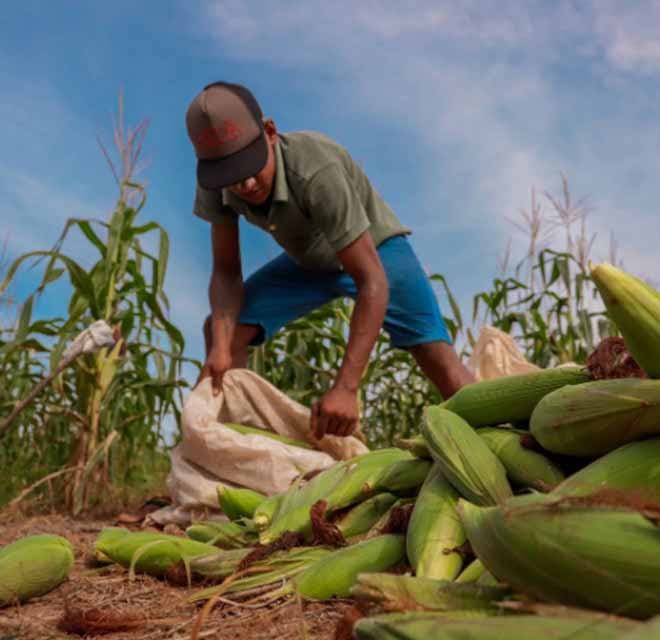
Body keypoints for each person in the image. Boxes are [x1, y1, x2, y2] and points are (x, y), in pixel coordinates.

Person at [187, 81, 474, 440]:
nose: (244, 184)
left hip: (374, 251)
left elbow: (372, 281)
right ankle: (241, 450)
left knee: (441, 362)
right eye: (231, 176)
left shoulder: (315, 169)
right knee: (223, 334)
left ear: (270, 133)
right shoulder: (215, 184)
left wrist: (346, 388)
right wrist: (219, 348)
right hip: (308, 261)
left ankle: (496, 440)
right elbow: (226, 271)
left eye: (249, 165)